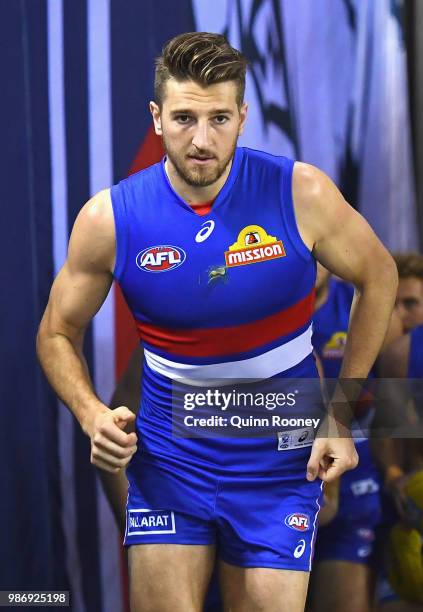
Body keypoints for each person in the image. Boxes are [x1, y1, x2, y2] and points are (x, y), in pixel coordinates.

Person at [37, 32, 398, 612]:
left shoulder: (299, 191)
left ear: (243, 116)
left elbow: (379, 276)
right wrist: (90, 413)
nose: (201, 140)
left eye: (219, 119)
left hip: (282, 454)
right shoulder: (111, 217)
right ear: (156, 117)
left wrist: (340, 409)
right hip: (170, 456)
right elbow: (55, 332)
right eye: (183, 118)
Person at [308, 265, 402, 612]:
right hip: (274, 477)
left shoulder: (369, 308)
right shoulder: (245, 304)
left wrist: (396, 472)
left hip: (352, 482)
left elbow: (399, 407)